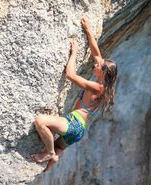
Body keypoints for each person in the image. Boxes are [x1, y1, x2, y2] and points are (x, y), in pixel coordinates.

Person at [31, 16, 118, 171]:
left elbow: (70, 75)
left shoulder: (97, 87)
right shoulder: (103, 84)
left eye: (99, 66)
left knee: (40, 121)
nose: (96, 64)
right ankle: (54, 157)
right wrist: (88, 30)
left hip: (73, 123)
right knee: (59, 147)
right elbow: (96, 54)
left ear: (103, 73)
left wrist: (74, 53)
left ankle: (49, 153)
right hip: (79, 130)